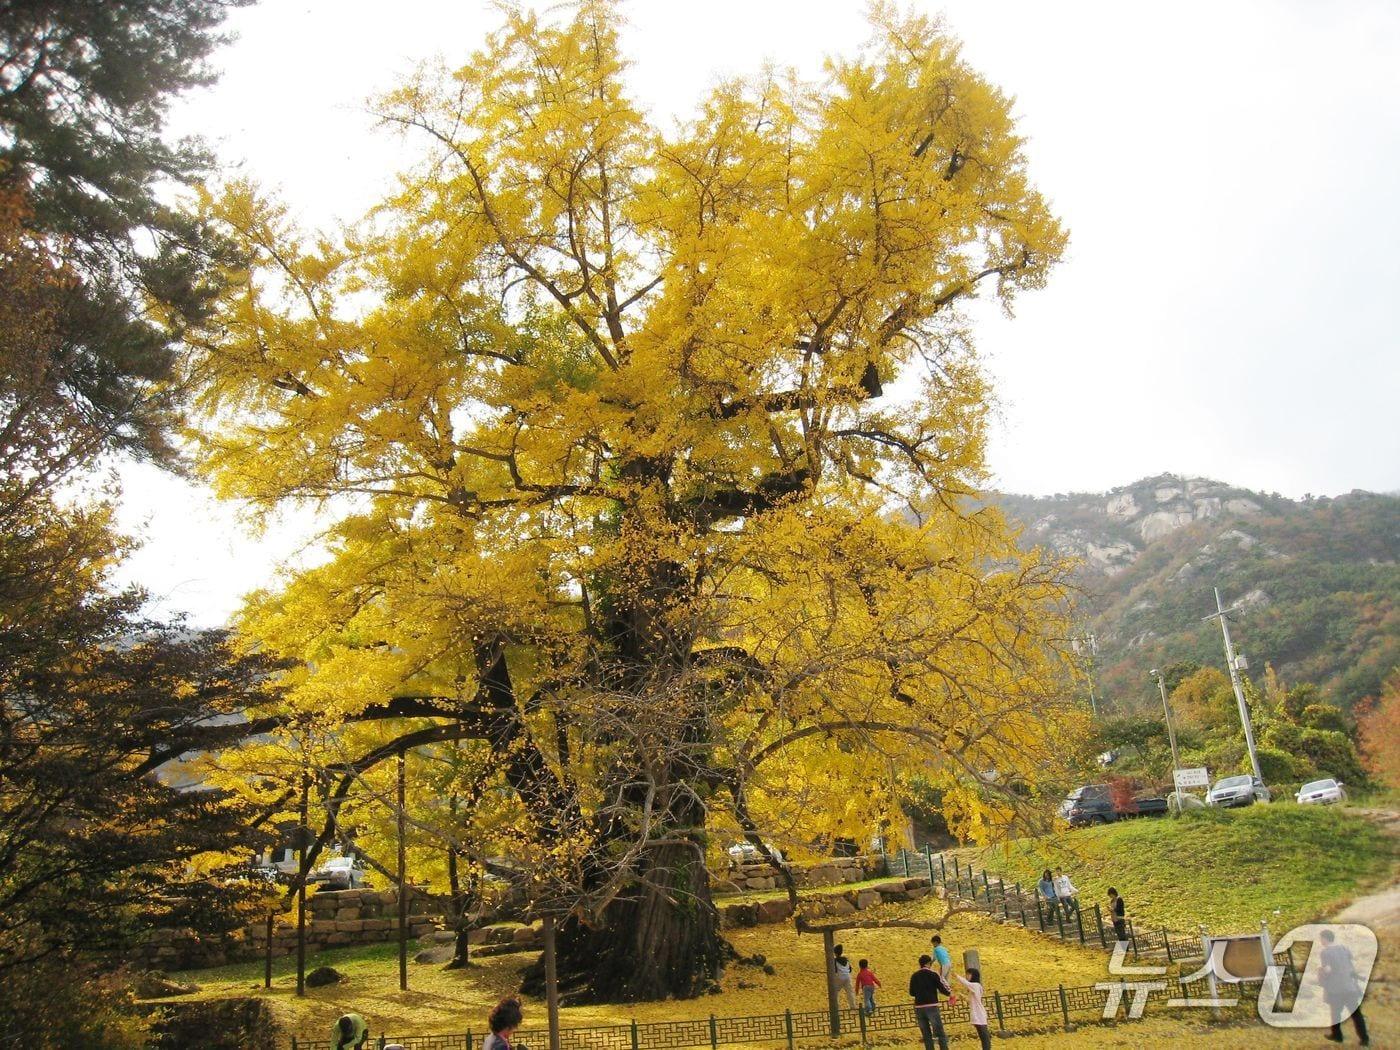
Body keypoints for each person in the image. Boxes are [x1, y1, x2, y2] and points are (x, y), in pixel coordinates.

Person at [1318, 928, 1370, 1045]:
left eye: (1321, 938)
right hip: (1349, 986)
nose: (1320, 941)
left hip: (1336, 989)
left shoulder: (1325, 952)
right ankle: (1364, 1039)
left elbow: (1328, 970)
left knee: (1335, 1014)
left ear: (1325, 939)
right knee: (1356, 1015)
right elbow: (1350, 964)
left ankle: (1337, 1036)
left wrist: (1321, 971)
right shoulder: (1344, 948)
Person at [909, 954, 953, 1050]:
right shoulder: (933, 974)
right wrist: (950, 994)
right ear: (928, 963)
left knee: (926, 1034)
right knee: (939, 1032)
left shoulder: (914, 976)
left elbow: (911, 992)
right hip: (932, 1006)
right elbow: (942, 987)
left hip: (919, 1008)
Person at [952, 968, 992, 1050]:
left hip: (979, 1014)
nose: (967, 976)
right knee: (982, 1036)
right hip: (977, 1014)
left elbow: (966, 983)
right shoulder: (974, 987)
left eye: (968, 974)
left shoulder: (975, 985)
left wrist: (957, 976)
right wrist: (963, 997)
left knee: (984, 1036)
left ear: (973, 975)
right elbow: (971, 1001)